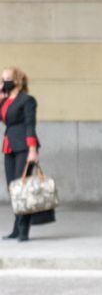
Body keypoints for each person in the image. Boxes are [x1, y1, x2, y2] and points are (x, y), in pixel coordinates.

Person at [2, 67, 54, 242]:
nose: (2, 83)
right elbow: (5, 119)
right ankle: (17, 227)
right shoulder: (6, 100)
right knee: (13, 188)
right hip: (9, 146)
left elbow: (30, 124)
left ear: (16, 80)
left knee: (22, 188)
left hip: (25, 146)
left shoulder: (28, 100)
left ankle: (24, 229)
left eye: (5, 80)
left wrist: (32, 149)